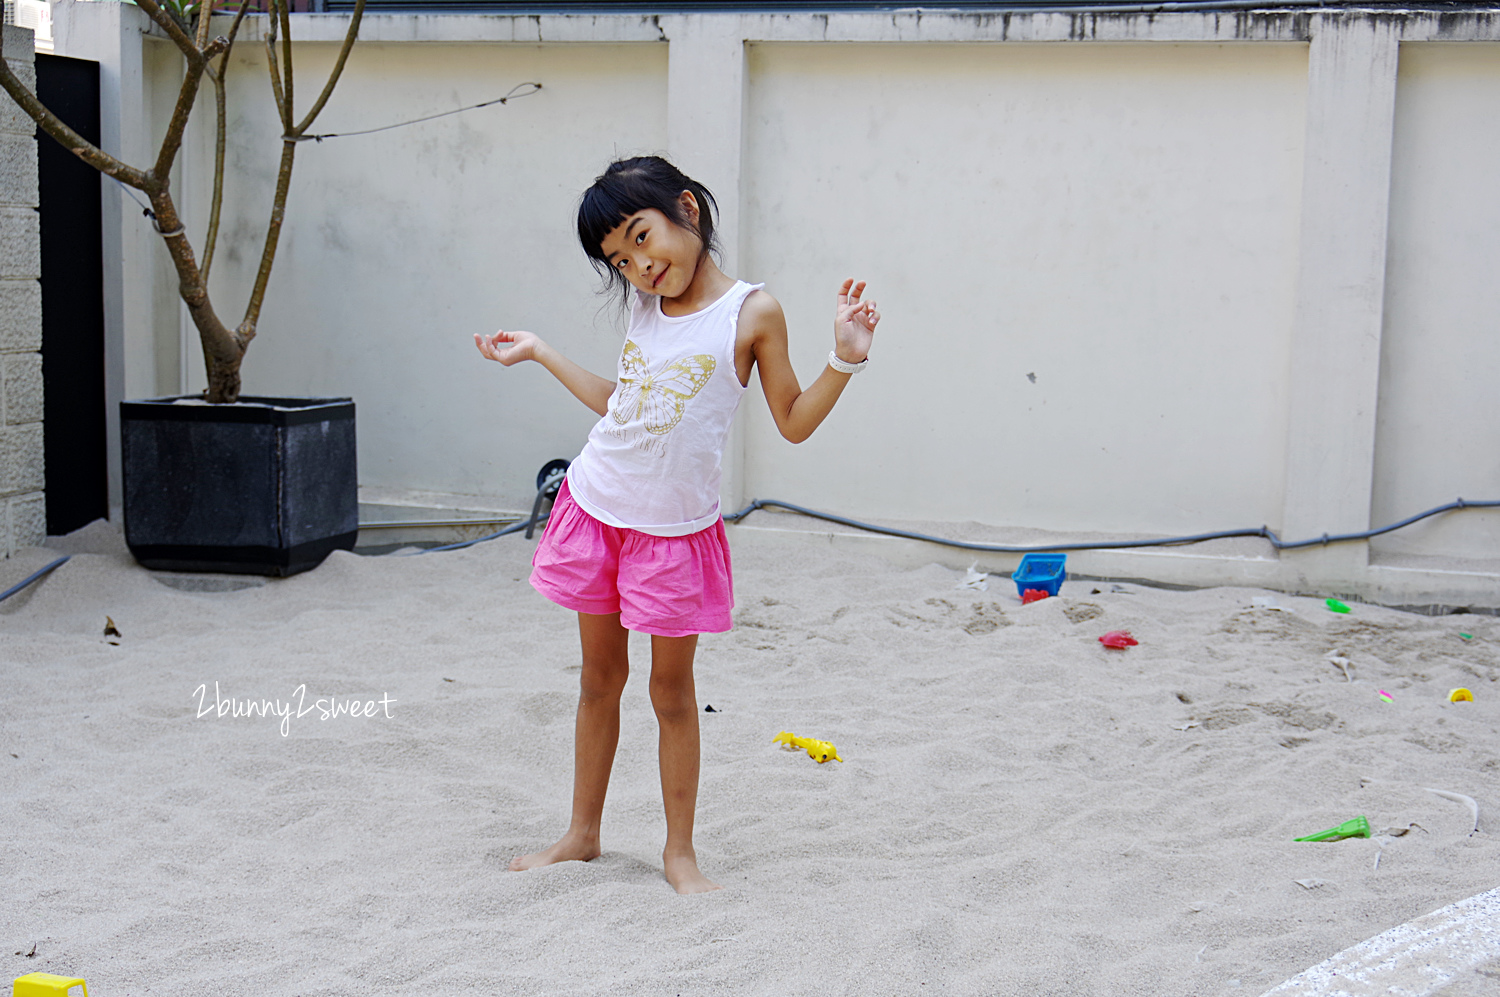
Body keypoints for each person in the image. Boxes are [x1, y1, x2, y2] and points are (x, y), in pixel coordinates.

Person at [474, 156, 880, 894]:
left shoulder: (753, 312)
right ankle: (582, 833)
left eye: (641, 237)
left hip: (673, 535)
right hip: (598, 510)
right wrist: (540, 352)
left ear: (686, 209)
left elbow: (791, 421)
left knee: (671, 693)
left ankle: (679, 852)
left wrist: (843, 361)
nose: (638, 265)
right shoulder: (643, 306)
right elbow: (625, 404)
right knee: (599, 679)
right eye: (619, 260)